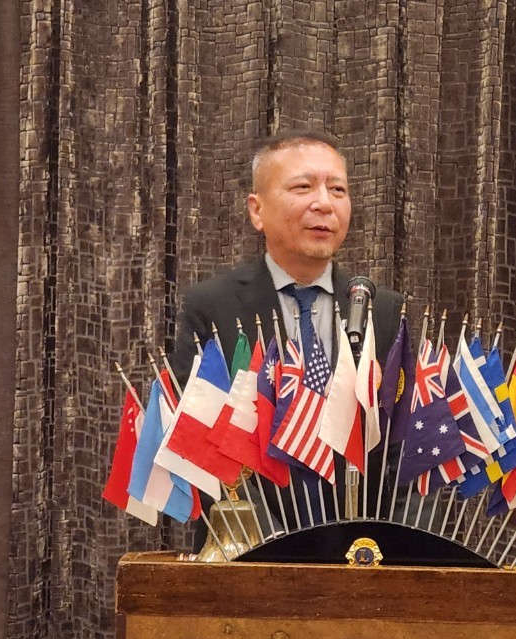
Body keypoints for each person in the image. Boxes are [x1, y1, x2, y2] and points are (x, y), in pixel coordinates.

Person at [171, 130, 405, 537]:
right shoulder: (213, 307)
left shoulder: (379, 310)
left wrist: (390, 545)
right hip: (250, 547)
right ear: (257, 210)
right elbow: (198, 439)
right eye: (303, 187)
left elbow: (405, 447)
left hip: (363, 549)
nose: (324, 203)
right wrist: (273, 546)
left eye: (338, 189)